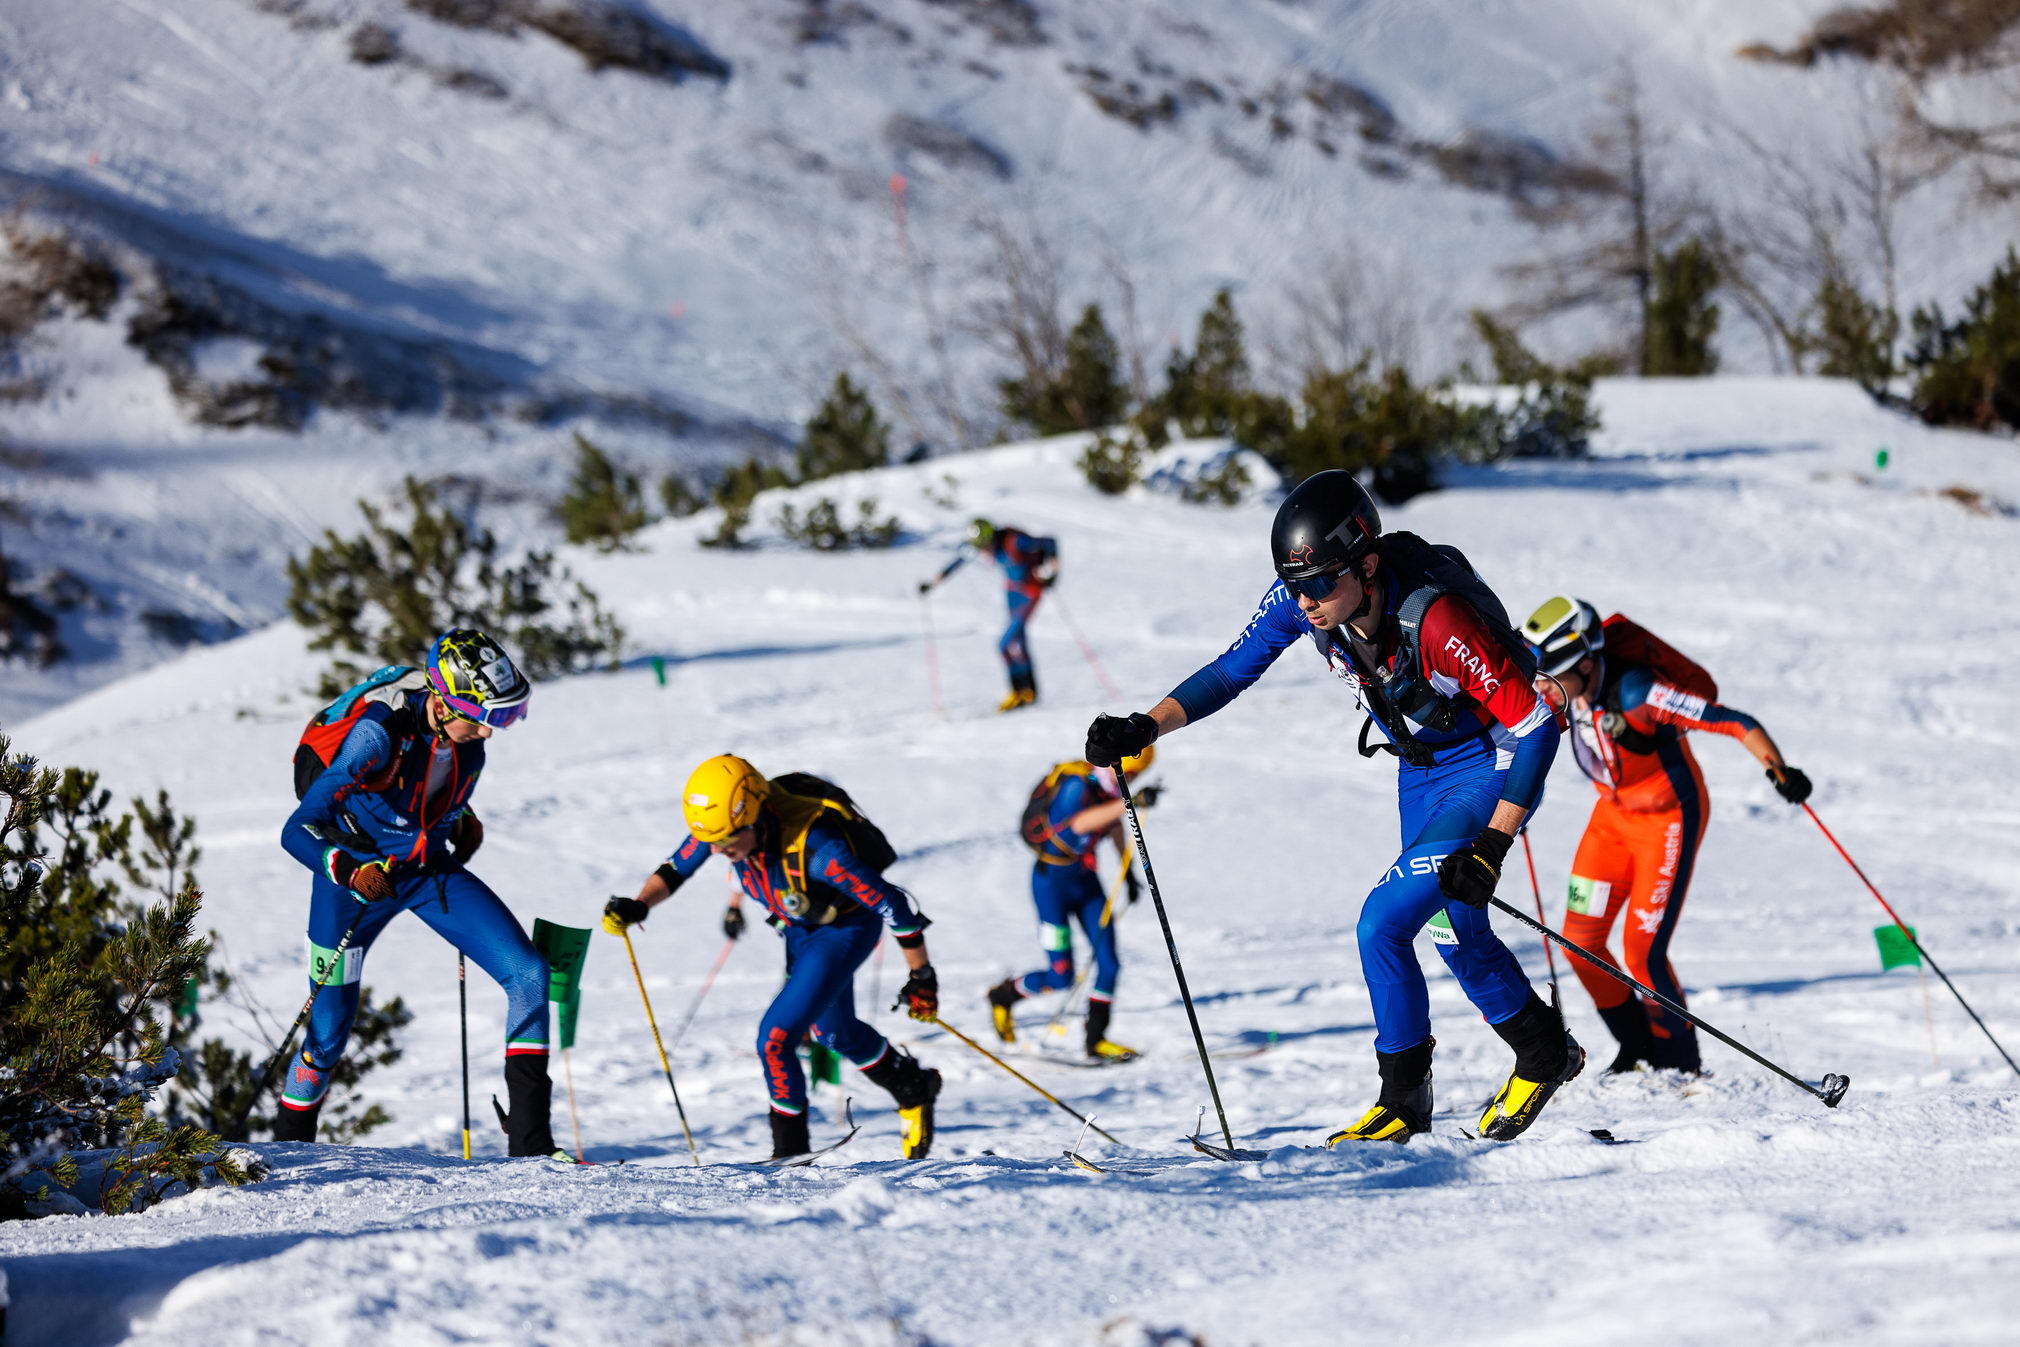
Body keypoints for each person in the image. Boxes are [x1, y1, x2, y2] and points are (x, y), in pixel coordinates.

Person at [1083, 471, 1578, 1144]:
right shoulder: (1305, 596)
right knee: (1448, 927)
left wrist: (1493, 844)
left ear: (1367, 564)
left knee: (1381, 923)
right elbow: (1233, 668)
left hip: (1490, 762)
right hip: (1421, 766)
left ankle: (1404, 1101)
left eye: (1321, 584)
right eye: (1296, 586)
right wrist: (1146, 725)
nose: (1307, 602)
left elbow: (1536, 726)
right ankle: (1544, 1052)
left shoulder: (1436, 620)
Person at [278, 629, 559, 1156]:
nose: (491, 732)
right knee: (327, 1035)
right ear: (446, 702)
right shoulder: (377, 734)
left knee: (530, 973)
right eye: (484, 718)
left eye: (502, 717)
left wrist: (460, 818)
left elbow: (425, 789)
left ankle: (532, 1149)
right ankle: (291, 1152)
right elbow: (297, 829)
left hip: (426, 872)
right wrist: (347, 871)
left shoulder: (465, 741)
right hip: (353, 888)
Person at [1521, 596, 1811, 1074]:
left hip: (1667, 819)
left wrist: (1778, 770)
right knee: (1578, 939)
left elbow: (1735, 722)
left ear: (1587, 662)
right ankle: (1635, 1049)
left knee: (1643, 951)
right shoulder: (1562, 693)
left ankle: (1679, 1066)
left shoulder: (1640, 693)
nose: (1545, 689)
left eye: (1555, 677)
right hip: (1612, 818)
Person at [603, 756, 944, 1160]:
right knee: (833, 1032)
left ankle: (790, 1153)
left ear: (757, 817)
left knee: (775, 1039)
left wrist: (921, 975)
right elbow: (676, 868)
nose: (719, 851)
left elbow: (895, 906)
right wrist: (640, 905)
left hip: (843, 932)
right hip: (798, 929)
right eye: (714, 842)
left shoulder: (820, 852)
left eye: (728, 841)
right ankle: (912, 1085)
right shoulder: (723, 828)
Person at [987, 746, 1160, 1061]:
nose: (1131, 779)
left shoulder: (1111, 791)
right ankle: (1003, 995)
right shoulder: (1078, 785)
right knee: (1061, 975)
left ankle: (1096, 1040)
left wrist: (1129, 869)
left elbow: (1113, 825)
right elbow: (1076, 826)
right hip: (1050, 887)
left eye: (1136, 776)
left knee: (1109, 963)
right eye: (1131, 772)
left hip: (1086, 883)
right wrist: (1128, 804)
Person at [919, 517, 1059, 711]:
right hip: (1012, 593)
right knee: (1019, 642)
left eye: (985, 546)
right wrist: (933, 583)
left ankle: (1025, 691)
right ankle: (1024, 692)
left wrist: (1052, 571)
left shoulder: (1015, 540)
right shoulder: (981, 545)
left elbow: (1049, 542)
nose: (984, 551)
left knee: (1005, 643)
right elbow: (958, 562)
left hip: (1030, 592)